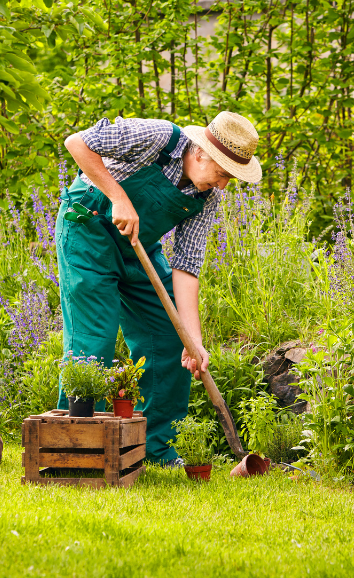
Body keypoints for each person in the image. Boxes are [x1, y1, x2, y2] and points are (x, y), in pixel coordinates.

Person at [56, 111, 262, 464]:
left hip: (138, 249)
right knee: (94, 343)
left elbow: (187, 267)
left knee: (171, 338)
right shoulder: (156, 137)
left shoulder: (205, 197)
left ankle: (154, 447)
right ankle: (78, 448)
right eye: (223, 173)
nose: (224, 185)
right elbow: (77, 143)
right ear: (200, 153)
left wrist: (193, 341)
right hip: (87, 233)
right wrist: (119, 198)